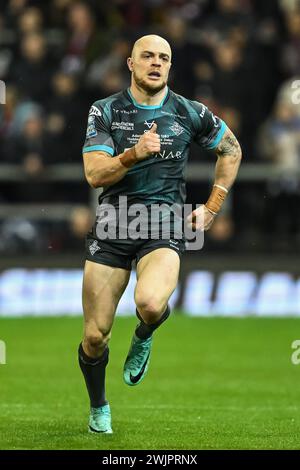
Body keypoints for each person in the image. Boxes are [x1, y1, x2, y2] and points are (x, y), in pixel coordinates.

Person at [79, 35, 242, 434]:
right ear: (130, 63)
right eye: (147, 56)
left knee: (151, 303)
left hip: (163, 225)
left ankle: (144, 335)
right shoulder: (105, 111)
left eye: (164, 58)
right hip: (114, 224)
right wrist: (134, 152)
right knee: (95, 336)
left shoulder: (189, 111)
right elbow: (94, 174)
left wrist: (212, 206)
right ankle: (99, 406)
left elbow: (232, 149)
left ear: (170, 67)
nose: (156, 63)